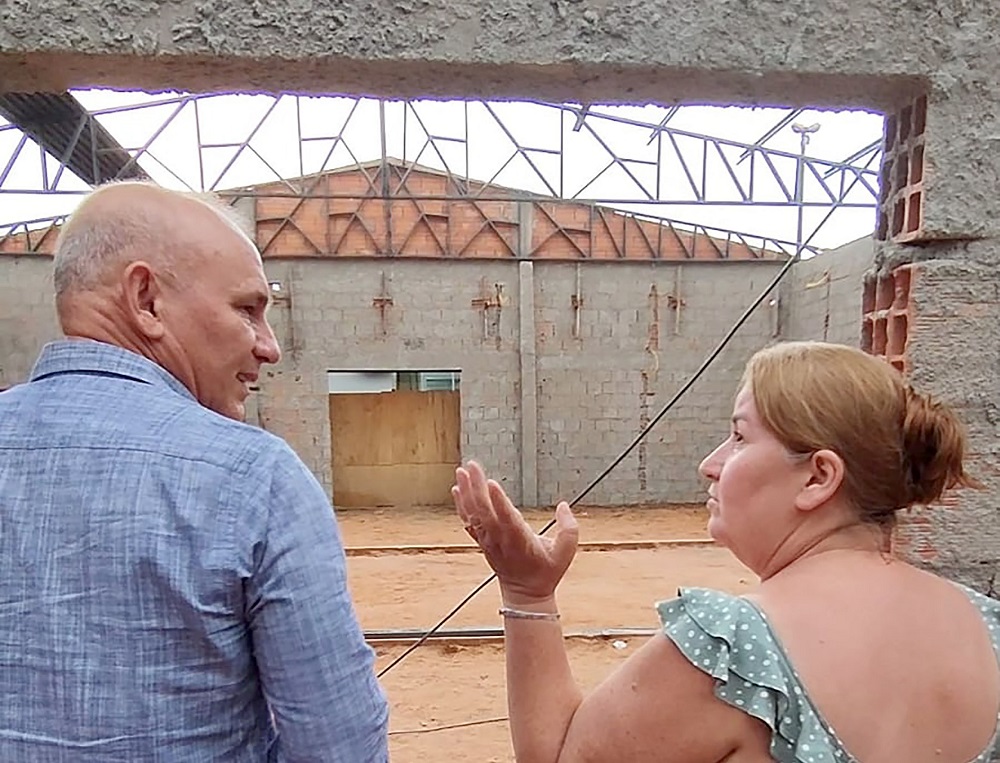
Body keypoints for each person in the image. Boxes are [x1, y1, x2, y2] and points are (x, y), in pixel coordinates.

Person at [452, 341, 1000, 763]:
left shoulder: (735, 648)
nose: (710, 464)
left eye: (739, 437)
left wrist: (528, 592)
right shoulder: (987, 626)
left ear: (818, 478)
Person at [0, 181, 389, 761]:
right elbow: (339, 748)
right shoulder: (255, 480)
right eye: (247, 310)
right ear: (146, 300)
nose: (269, 347)